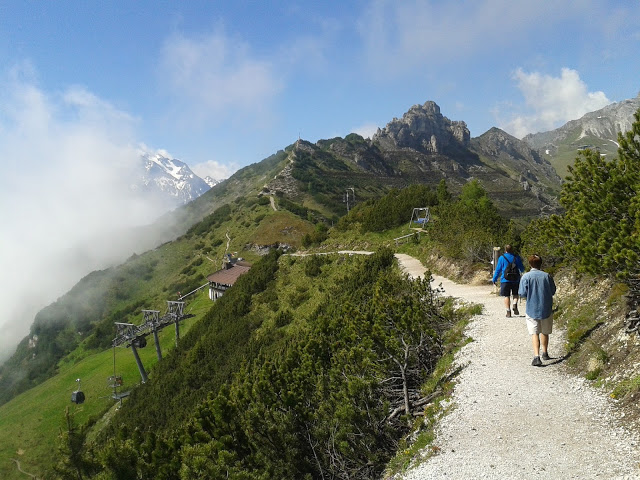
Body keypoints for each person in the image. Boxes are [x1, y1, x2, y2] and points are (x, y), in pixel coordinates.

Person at [518, 254, 556, 367]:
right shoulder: (547, 276)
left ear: (530, 264)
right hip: (546, 307)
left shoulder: (526, 277)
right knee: (545, 331)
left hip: (531, 308)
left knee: (534, 333)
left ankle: (536, 356)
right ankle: (545, 352)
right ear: (541, 263)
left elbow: (522, 293)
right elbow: (553, 291)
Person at [492, 244, 525, 317]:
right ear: (512, 249)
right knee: (515, 294)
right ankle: (515, 304)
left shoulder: (502, 258)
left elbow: (498, 270)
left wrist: (494, 279)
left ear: (505, 250)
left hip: (505, 280)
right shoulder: (516, 257)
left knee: (506, 296)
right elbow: (522, 268)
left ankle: (508, 312)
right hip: (515, 279)